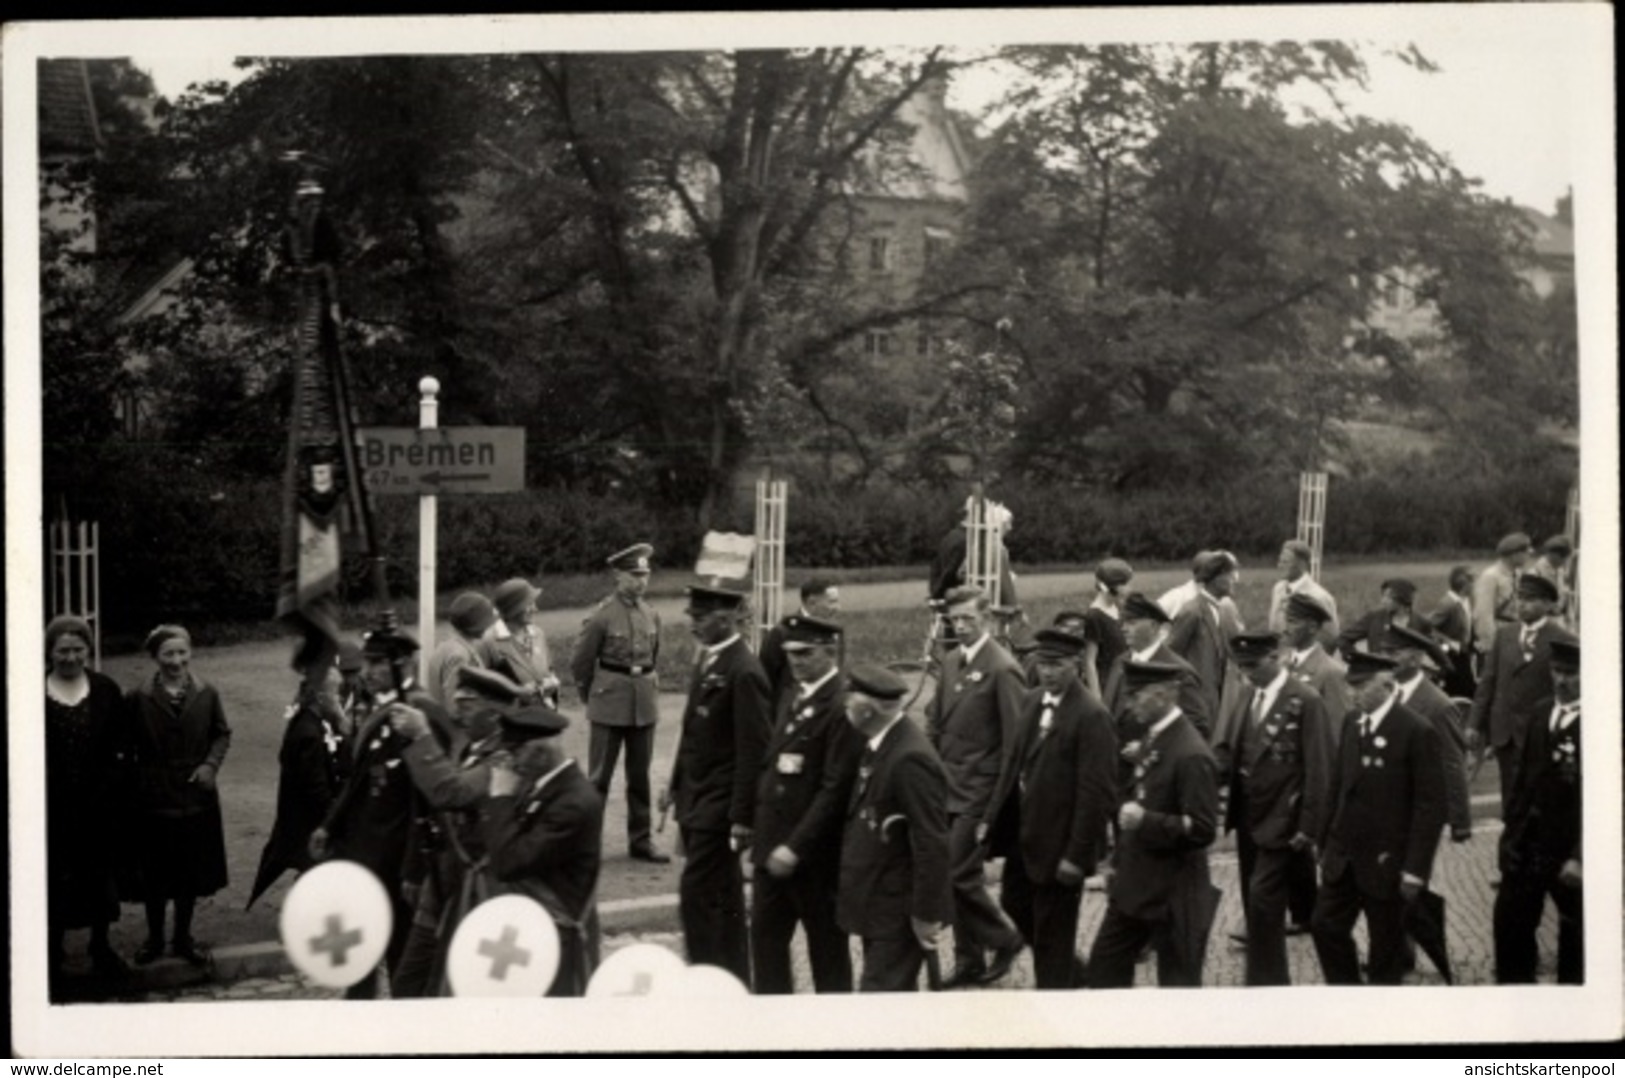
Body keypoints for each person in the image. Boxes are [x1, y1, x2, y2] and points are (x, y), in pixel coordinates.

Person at [310, 614, 445, 999]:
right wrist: (329, 827)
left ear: (401, 665)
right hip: (366, 857)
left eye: (376, 663)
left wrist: (415, 869)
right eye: (366, 662)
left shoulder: (419, 715)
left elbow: (428, 800)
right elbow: (359, 782)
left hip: (398, 863)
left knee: (404, 964)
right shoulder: (378, 711)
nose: (366, 671)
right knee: (361, 958)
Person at [1310, 652, 1446, 986]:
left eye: (1361, 686)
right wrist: (1324, 840)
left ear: (1386, 685)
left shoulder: (1415, 731)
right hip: (1344, 856)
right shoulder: (1352, 723)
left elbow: (1430, 807)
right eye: (1350, 685)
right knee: (1324, 926)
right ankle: (1348, 993)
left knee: (1385, 949)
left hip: (1387, 862)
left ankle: (1379, 1016)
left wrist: (1416, 869)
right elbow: (1339, 785)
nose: (1353, 693)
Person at [1086, 661, 1220, 988]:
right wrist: (1117, 863)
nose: (1129, 705)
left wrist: (1147, 821)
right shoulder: (1156, 738)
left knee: (1177, 992)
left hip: (1174, 894)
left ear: (1164, 695)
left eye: (1137, 696)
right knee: (1103, 970)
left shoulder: (1191, 754)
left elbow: (1203, 828)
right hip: (1137, 885)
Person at [1209, 633, 1330, 986]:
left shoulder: (1304, 700)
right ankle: (1269, 978)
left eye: (1253, 665)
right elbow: (1228, 749)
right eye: (1242, 666)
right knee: (1255, 898)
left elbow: (1319, 767)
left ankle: (1266, 983)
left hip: (1285, 817)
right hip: (1248, 812)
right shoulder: (1249, 695)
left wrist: (1309, 826)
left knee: (1263, 900)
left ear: (1275, 657)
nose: (1247, 672)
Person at [749, 615, 862, 994]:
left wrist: (796, 847)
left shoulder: (841, 705)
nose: (796, 661)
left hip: (813, 858)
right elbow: (772, 766)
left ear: (830, 652)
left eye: (805, 653)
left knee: (827, 955)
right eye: (791, 653)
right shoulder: (793, 694)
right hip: (772, 848)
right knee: (765, 948)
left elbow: (834, 789)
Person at [1000, 628, 1116, 989]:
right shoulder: (1033, 701)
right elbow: (1014, 763)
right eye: (1042, 664)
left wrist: (1077, 855)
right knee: (1013, 901)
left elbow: (1095, 793)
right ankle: (1071, 970)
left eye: (1057, 665)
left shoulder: (1091, 715)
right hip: (1026, 836)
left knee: (1053, 931)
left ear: (1077, 665)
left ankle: (1056, 994)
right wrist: (990, 822)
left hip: (1062, 843)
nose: (1047, 672)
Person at [667, 583, 771, 986]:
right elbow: (692, 730)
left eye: (701, 617)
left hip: (720, 806)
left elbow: (753, 751)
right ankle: (730, 981)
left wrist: (743, 816)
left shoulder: (744, 670)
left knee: (697, 896)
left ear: (726, 619)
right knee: (723, 898)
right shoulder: (710, 660)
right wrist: (675, 787)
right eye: (693, 616)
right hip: (696, 799)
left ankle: (707, 979)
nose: (694, 624)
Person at [924, 585, 1027, 988]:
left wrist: (994, 807)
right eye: (956, 619)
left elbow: (1015, 744)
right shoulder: (950, 661)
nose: (962, 626)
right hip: (947, 786)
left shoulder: (1002, 667)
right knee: (953, 876)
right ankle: (968, 959)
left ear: (987, 618)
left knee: (955, 872)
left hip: (980, 792)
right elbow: (936, 720)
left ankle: (1005, 937)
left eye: (970, 618)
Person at [836, 665, 952, 992]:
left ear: (868, 710)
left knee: (879, 1001)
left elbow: (932, 841)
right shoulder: (881, 744)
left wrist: (926, 914)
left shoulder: (909, 758)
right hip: (881, 904)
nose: (845, 705)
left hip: (900, 911)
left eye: (850, 699)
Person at [123, 625, 231, 967]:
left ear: (191, 653)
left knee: (189, 873)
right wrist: (139, 780)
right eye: (168, 654)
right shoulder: (137, 697)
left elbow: (221, 733)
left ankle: (183, 938)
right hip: (153, 800)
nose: (176, 661)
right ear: (155, 658)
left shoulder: (207, 693)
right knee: (155, 874)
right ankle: (154, 939)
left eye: (182, 652)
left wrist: (210, 766)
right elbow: (124, 745)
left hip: (195, 797)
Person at [481, 705, 605, 996]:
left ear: (540, 752)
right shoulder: (543, 786)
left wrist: (499, 798)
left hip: (557, 936)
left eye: (516, 752)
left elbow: (508, 862)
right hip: (536, 927)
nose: (511, 762)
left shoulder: (573, 803)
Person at [571, 543, 668, 863]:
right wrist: (592, 698)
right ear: (618, 576)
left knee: (639, 778)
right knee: (598, 778)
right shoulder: (601, 616)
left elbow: (653, 658)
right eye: (634, 575)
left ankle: (640, 841)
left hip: (643, 704)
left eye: (645, 575)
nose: (641, 582)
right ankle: (587, 843)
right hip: (608, 703)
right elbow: (581, 663)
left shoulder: (651, 613)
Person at [44, 615, 128, 984]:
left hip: (99, 804)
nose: (71, 657)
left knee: (98, 876)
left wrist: (110, 787)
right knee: (53, 877)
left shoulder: (106, 689)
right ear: (49, 652)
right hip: (51, 806)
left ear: (88, 650)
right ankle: (51, 951)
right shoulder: (32, 691)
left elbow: (120, 746)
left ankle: (101, 947)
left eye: (78, 649)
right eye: (63, 650)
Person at [1493, 639, 1582, 984]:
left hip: (1570, 850)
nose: (1562, 681)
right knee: (1510, 928)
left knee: (1577, 941)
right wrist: (1508, 840)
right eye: (1556, 671)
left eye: (1571, 674)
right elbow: (1520, 783)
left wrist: (1580, 856)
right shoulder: (1541, 713)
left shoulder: (1603, 722)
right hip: (1528, 846)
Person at [247, 656, 354, 909]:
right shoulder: (308, 733)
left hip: (305, 819)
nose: (338, 698)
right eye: (335, 693)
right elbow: (315, 788)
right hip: (306, 822)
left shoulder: (312, 722)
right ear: (319, 697)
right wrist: (333, 820)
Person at [1467, 574, 1572, 816]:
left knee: (1539, 800)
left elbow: (1567, 691)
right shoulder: (1505, 635)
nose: (1522, 604)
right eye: (1519, 598)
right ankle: (1511, 848)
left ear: (1548, 604)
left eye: (1531, 600)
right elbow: (1488, 682)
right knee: (1510, 800)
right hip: (1505, 734)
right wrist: (1474, 723)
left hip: (1541, 735)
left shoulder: (1562, 639)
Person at [1386, 626, 1472, 845]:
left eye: (1393, 653)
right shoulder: (1386, 693)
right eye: (1385, 652)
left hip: (1419, 808)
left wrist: (1460, 820)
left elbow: (1452, 762)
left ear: (1415, 659)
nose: (1386, 658)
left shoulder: (1438, 705)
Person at [1101, 592, 1209, 739]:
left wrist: (1148, 748)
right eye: (1123, 622)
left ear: (1153, 626)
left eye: (1132, 623)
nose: (1124, 628)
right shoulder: (1120, 662)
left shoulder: (1178, 672)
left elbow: (1197, 728)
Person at [1166, 551, 1245, 722]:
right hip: (1195, 702)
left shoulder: (1222, 609)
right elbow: (1170, 653)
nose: (1235, 580)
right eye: (1230, 575)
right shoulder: (1192, 611)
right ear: (1216, 579)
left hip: (1215, 701)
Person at [424, 592, 528, 711]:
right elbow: (452, 700)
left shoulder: (447, 646)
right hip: (452, 724)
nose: (490, 627)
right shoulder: (459, 655)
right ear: (477, 624)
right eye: (488, 623)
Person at [757, 578, 842, 703]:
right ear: (812, 602)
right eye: (832, 602)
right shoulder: (781, 633)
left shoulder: (834, 632)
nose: (838, 608)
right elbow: (765, 681)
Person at [485, 577, 562, 708]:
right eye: (529, 604)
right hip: (510, 721)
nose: (535, 609)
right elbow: (483, 691)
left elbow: (549, 670)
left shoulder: (538, 634)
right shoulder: (489, 641)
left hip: (542, 717)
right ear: (513, 609)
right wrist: (518, 693)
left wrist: (553, 683)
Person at [928, 497, 1019, 608]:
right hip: (950, 592)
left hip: (942, 590)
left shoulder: (951, 536)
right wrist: (939, 593)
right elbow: (951, 574)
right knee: (988, 592)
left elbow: (936, 567)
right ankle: (1012, 611)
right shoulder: (966, 540)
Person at [1472, 532, 1533, 659]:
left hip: (1516, 632)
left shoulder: (1517, 573)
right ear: (1514, 555)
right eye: (1525, 553)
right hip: (1499, 635)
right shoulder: (1491, 576)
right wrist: (1491, 645)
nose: (1528, 556)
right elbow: (1483, 614)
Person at [1268, 539, 1340, 644]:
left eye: (1286, 562)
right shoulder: (1278, 589)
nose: (1279, 566)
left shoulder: (1320, 597)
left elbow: (1331, 637)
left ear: (1302, 564)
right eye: (1280, 561)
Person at [1082, 558, 1133, 697]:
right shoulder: (1095, 616)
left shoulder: (1116, 608)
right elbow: (1089, 661)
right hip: (1107, 685)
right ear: (1109, 587)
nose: (1129, 588)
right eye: (1123, 583)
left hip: (1121, 681)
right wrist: (1097, 698)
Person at [1426, 566, 1477, 699]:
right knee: (1463, 689)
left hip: (1464, 652)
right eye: (1472, 582)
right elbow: (1428, 628)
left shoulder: (1466, 600)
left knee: (1465, 686)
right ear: (1464, 585)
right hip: (1451, 654)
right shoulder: (1448, 604)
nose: (1474, 585)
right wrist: (1450, 643)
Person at [1336, 578, 1420, 659]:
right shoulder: (1374, 618)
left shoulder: (1421, 623)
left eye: (1388, 597)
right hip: (1377, 670)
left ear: (1403, 599)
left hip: (1408, 671)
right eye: (1383, 596)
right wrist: (1358, 659)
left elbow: (1432, 648)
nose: (1383, 601)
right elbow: (1344, 638)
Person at [1527, 535, 1575, 626]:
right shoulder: (1535, 573)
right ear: (1554, 555)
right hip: (1541, 622)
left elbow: (1565, 594)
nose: (1565, 561)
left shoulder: (1560, 571)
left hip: (1559, 620)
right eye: (1563, 557)